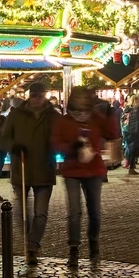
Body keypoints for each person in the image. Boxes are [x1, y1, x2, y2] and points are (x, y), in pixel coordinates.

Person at [52, 87, 119, 267]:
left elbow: (112, 134)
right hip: (73, 170)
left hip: (93, 170)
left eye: (85, 100)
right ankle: (73, 249)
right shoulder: (64, 121)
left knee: (95, 212)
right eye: (78, 100)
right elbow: (56, 143)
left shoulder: (96, 119)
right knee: (74, 212)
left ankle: (93, 245)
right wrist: (71, 148)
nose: (81, 104)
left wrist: (111, 114)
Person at [0, 81, 60, 266]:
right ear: (29, 96)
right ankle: (27, 241)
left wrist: (56, 147)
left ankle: (32, 245)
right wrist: (13, 147)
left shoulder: (53, 116)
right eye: (33, 95)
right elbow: (4, 138)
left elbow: (61, 137)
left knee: (41, 212)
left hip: (44, 168)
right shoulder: (16, 114)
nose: (36, 99)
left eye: (40, 95)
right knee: (21, 211)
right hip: (22, 168)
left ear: (44, 96)